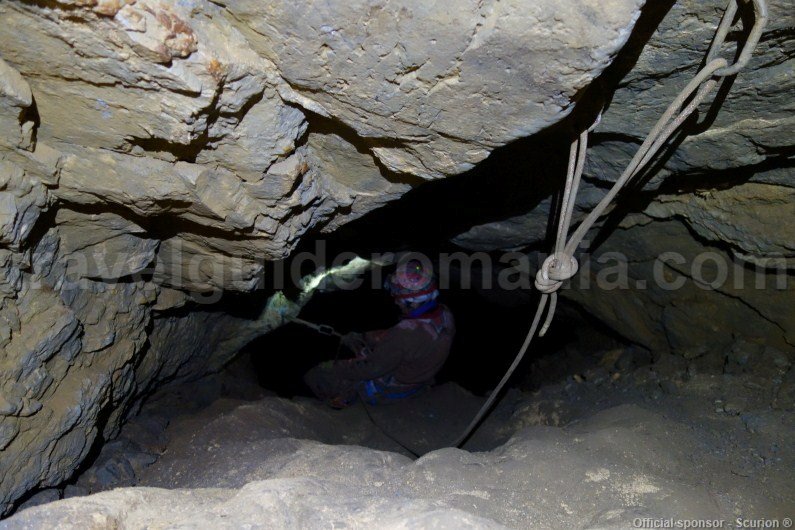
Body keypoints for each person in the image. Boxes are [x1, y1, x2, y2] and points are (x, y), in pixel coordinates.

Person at [304, 260, 455, 408]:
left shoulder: (403, 335)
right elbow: (406, 338)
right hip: (421, 376)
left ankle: (337, 405)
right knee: (366, 350)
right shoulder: (444, 314)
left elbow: (371, 368)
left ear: (413, 301)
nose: (396, 301)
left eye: (398, 296)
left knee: (320, 374)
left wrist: (336, 367)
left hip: (393, 388)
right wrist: (363, 337)